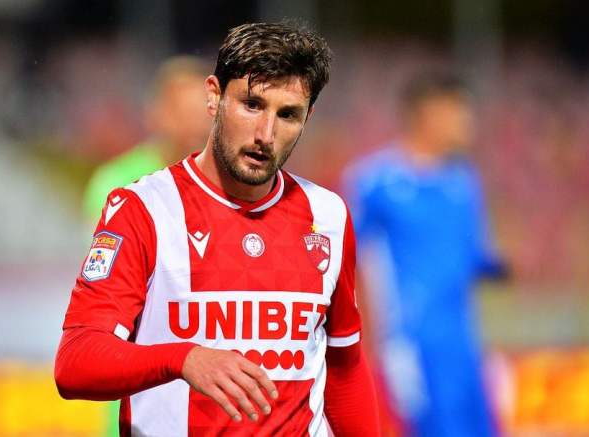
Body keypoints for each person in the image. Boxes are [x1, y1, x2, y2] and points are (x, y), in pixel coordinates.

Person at [55, 22, 381, 436]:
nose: (266, 134)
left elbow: (345, 365)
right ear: (213, 96)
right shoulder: (143, 209)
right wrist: (183, 359)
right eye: (252, 105)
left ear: (307, 118)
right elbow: (75, 363)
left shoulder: (328, 215)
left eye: (287, 115)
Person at [343, 73, 507, 437]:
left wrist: (498, 267)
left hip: (464, 342)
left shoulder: (463, 181)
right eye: (458, 111)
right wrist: (376, 344)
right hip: (413, 344)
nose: (468, 122)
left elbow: (472, 256)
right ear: (427, 114)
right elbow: (348, 261)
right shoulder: (376, 182)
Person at [82, 56, 212, 221]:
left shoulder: (228, 184)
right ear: (157, 113)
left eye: (205, 115)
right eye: (186, 115)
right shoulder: (118, 182)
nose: (197, 127)